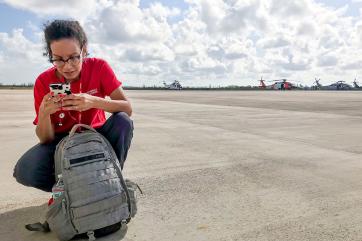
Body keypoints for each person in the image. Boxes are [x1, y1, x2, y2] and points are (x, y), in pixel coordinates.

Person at [13, 19, 134, 192]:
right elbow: (45, 139)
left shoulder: (99, 67)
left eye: (74, 57)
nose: (67, 66)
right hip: (62, 138)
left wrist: (94, 101)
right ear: (50, 54)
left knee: (123, 121)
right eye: (59, 60)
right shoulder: (43, 81)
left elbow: (127, 108)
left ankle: (110, 179)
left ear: (84, 49)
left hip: (97, 133)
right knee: (25, 171)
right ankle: (67, 191)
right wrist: (44, 114)